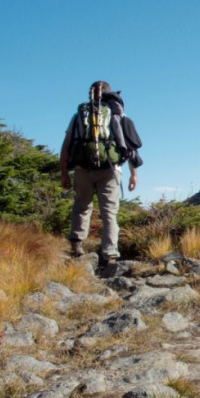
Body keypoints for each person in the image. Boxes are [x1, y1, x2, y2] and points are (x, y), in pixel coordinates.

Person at [60, 80, 138, 274]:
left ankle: (77, 244)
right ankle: (109, 254)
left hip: (82, 168)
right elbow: (128, 146)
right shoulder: (117, 114)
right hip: (111, 169)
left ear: (91, 94)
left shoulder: (79, 115)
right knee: (109, 212)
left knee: (82, 205)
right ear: (109, 94)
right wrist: (133, 174)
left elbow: (67, 145)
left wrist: (64, 172)